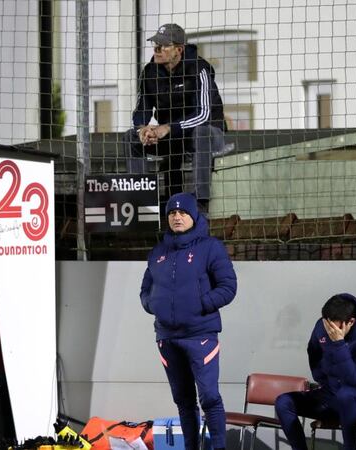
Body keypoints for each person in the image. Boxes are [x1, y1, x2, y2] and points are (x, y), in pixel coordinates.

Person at [139, 192, 237, 450]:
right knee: (183, 400)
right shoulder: (158, 251)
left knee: (209, 397)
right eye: (172, 213)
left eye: (183, 213)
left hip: (200, 334)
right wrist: (153, 305)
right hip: (167, 337)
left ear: (194, 216)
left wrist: (200, 304)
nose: (177, 217)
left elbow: (228, 287)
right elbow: (145, 289)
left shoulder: (210, 247)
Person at [126, 23, 226, 207]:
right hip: (171, 137)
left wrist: (168, 128)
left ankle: (200, 203)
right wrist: (143, 129)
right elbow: (141, 111)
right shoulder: (149, 73)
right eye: (155, 44)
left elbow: (203, 115)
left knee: (201, 133)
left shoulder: (199, 69)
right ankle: (139, 203)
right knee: (132, 137)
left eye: (163, 45)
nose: (157, 49)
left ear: (178, 49)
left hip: (207, 135)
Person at [275, 293, 356, 450]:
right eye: (326, 325)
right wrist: (324, 379)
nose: (327, 331)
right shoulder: (322, 326)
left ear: (350, 322)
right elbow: (313, 353)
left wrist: (339, 344)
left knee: (346, 394)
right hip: (332, 394)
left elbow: (353, 378)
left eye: (332, 328)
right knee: (283, 402)